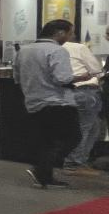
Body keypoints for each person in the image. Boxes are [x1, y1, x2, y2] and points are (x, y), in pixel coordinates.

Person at [14, 19, 80, 189]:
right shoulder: (58, 51)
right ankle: (41, 170)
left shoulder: (23, 51)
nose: (71, 36)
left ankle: (44, 176)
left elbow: (17, 77)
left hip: (33, 102)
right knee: (72, 137)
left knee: (47, 141)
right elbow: (62, 78)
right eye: (70, 33)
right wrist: (82, 77)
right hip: (58, 102)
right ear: (59, 33)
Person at [61, 37, 105, 173]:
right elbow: (97, 69)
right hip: (85, 91)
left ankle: (80, 160)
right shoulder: (80, 48)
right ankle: (73, 163)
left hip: (67, 92)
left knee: (94, 128)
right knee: (84, 128)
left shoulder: (57, 49)